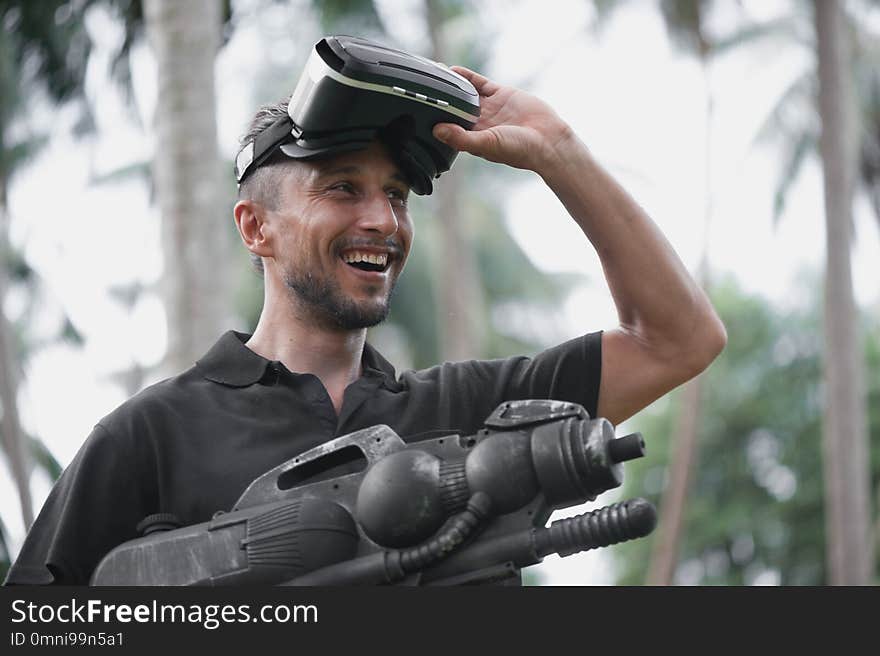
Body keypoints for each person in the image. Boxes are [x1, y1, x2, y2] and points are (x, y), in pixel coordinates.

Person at [5, 60, 726, 586]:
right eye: (342, 188)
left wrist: (558, 151)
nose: (381, 219)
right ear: (256, 228)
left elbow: (679, 339)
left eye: (398, 194)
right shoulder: (151, 435)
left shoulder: (468, 413)